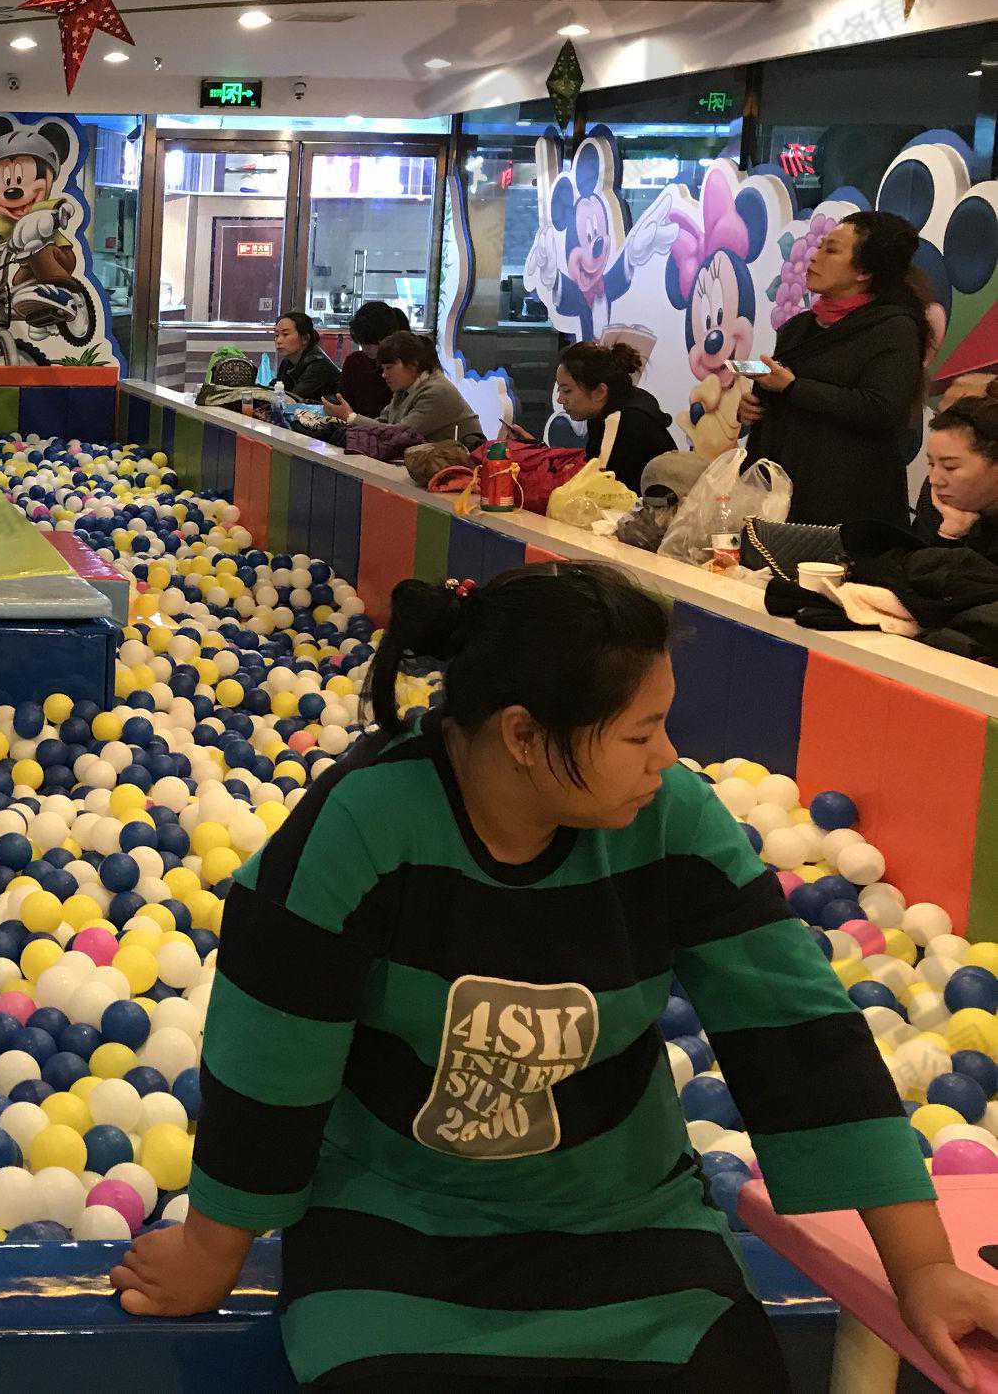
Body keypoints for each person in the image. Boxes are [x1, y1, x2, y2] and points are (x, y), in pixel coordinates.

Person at [110, 562, 998, 1389]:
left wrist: (921, 1267)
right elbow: (270, 1054)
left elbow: (799, 1034)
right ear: (524, 735)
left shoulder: (669, 819)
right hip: (395, 1225)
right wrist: (212, 1250)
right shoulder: (363, 825)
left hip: (624, 1221)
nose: (665, 756)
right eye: (640, 732)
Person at [742, 210, 932, 528]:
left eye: (831, 250)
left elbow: (881, 409)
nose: (814, 257)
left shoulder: (894, 328)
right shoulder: (799, 326)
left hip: (849, 503)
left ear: (864, 271)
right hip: (783, 491)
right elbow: (786, 397)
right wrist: (755, 406)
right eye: (819, 246)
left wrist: (793, 387)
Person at [554, 339, 676, 490]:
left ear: (600, 392)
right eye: (559, 390)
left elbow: (604, 491)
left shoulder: (627, 423)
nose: (560, 399)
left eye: (566, 391)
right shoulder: (607, 410)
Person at [325, 331, 480, 444]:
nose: (384, 375)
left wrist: (351, 417)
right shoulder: (404, 389)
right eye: (383, 369)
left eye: (389, 368)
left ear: (413, 365)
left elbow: (400, 434)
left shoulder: (437, 391)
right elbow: (383, 423)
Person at [921, 394, 998, 559]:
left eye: (950, 467)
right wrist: (949, 533)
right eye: (931, 464)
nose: (934, 480)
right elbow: (913, 568)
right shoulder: (934, 500)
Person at [337, 301, 409, 420]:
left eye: (370, 343)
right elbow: (343, 401)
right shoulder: (354, 362)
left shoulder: (404, 368)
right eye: (362, 343)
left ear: (386, 337)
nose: (365, 348)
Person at [271, 313, 341, 403]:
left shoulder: (319, 365)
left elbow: (294, 399)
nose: (278, 341)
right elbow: (277, 388)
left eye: (285, 334)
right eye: (277, 335)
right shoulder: (287, 361)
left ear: (305, 338)